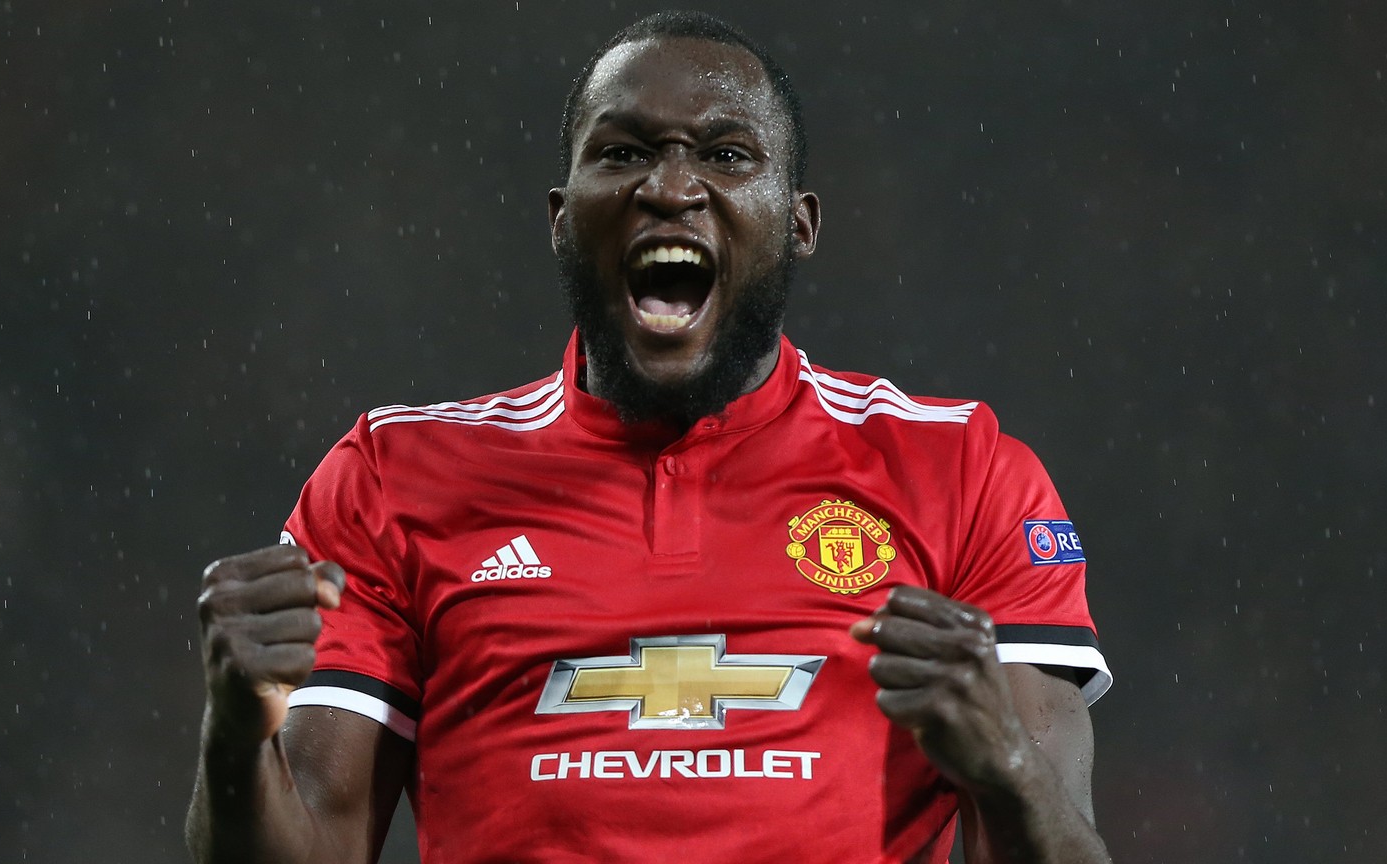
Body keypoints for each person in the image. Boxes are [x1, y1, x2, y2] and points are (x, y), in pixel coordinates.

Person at [186, 11, 1113, 864]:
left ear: (800, 224)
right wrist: (234, 732)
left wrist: (1008, 767)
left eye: (727, 153)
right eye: (625, 152)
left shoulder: (963, 470)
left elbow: (1066, 839)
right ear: (561, 218)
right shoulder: (391, 478)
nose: (672, 186)